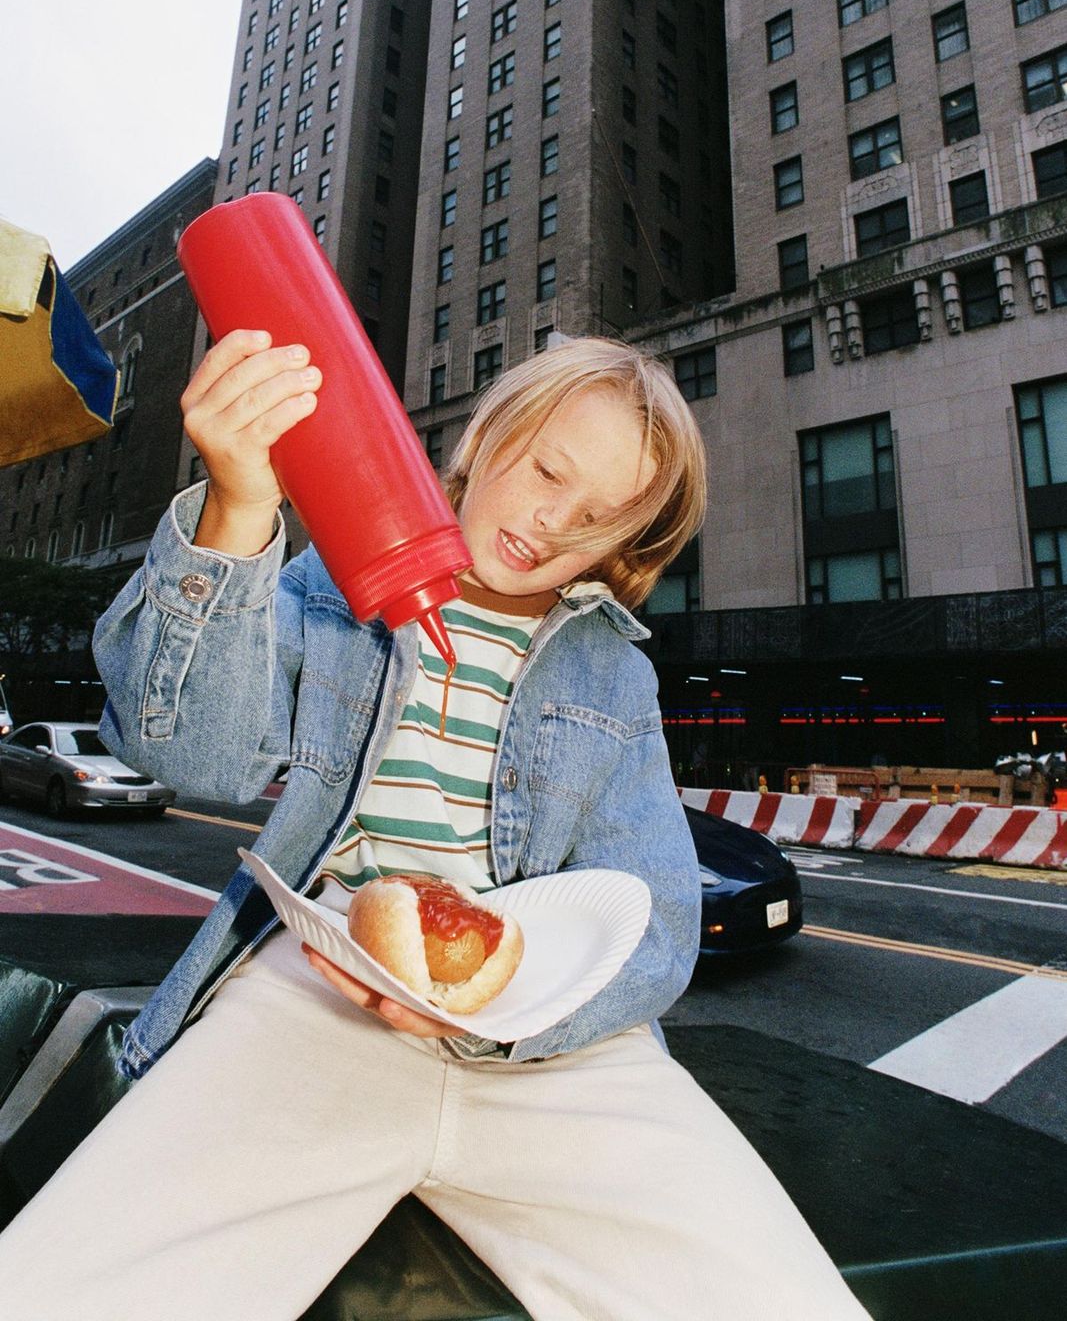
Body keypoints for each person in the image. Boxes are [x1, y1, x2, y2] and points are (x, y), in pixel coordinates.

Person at [0, 332, 870, 1321]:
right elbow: (192, 759)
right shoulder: (328, 589)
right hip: (314, 997)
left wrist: (518, 1013)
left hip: (555, 1047)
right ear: (486, 432)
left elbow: (658, 915)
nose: (550, 522)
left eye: (595, 518)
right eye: (547, 470)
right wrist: (239, 508)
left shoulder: (614, 672)